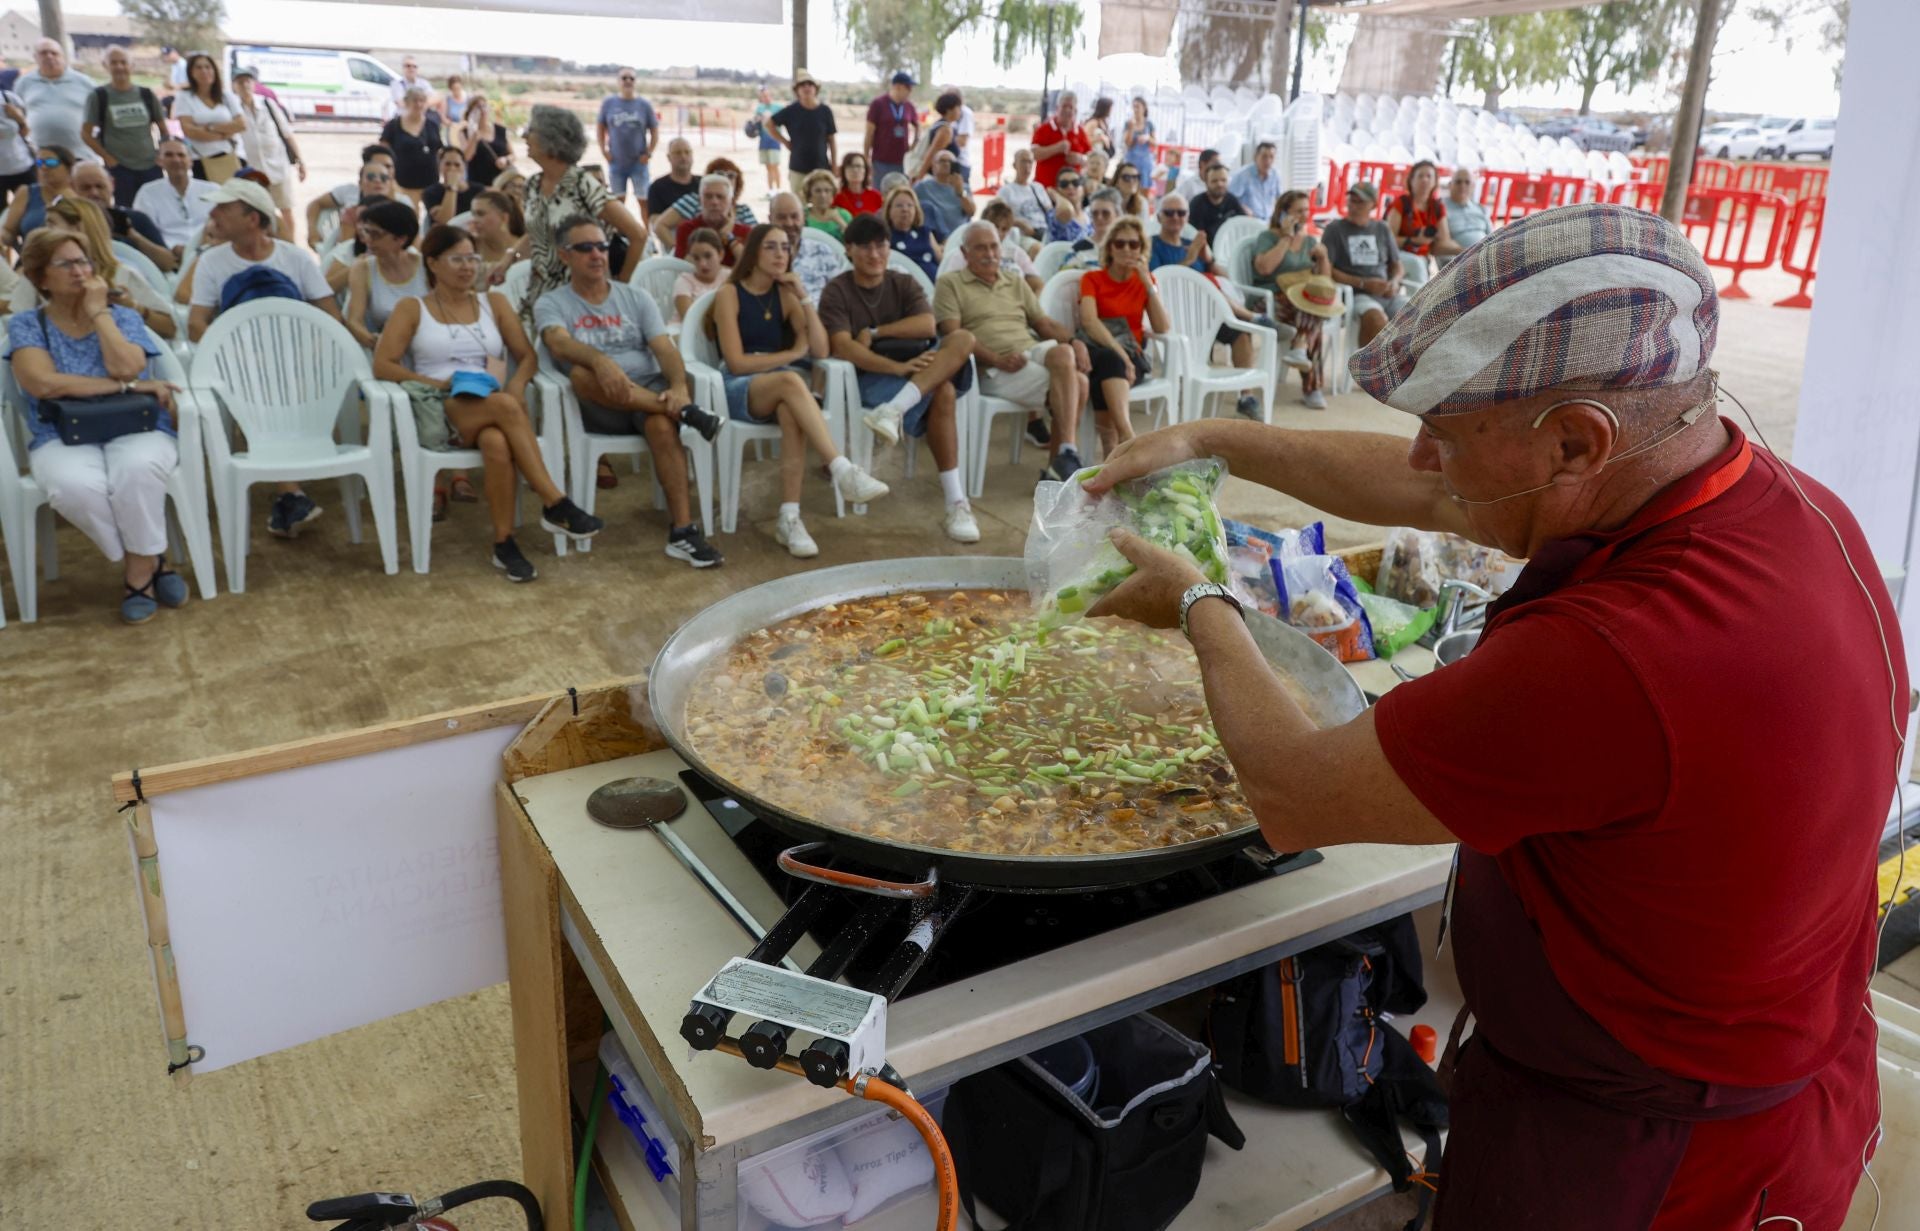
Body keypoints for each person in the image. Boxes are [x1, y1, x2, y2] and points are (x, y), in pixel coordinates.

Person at [1082, 200, 1898, 1231]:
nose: (1421, 458)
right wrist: (1209, 440)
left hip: (1647, 1163)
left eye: (1444, 432)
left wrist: (1200, 602)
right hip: (1788, 1081)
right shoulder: (1782, 499)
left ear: (1574, 442)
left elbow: (1291, 792)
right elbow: (1442, 494)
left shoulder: (1615, 653)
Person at [375, 223, 601, 580]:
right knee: (507, 409)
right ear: (432, 264)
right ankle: (555, 502)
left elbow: (526, 356)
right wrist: (435, 382)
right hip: (442, 404)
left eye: (472, 258)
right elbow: (383, 365)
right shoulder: (413, 308)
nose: (467, 267)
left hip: (491, 403)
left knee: (497, 442)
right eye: (457, 259)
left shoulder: (493, 302)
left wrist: (516, 385)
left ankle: (503, 543)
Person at [5, 228, 186, 623]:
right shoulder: (26, 325)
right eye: (65, 264)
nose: (79, 271)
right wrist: (129, 386)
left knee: (136, 472)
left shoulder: (120, 316)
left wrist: (99, 312)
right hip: (62, 433)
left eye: (83, 261)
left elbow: (127, 363)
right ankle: (152, 557)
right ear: (40, 277)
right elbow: (43, 383)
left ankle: (138, 575)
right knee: (73, 488)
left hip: (135, 423)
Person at [535, 214, 723, 567]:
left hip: (647, 396)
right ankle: (684, 413)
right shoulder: (553, 302)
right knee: (580, 374)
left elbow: (665, 349)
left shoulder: (634, 297)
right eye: (585, 248)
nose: (597, 254)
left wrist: (679, 387)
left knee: (661, 424)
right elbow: (557, 343)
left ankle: (683, 532)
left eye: (602, 246)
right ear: (565, 255)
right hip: (599, 403)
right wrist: (601, 361)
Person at [710, 223, 890, 556]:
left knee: (792, 412)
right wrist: (792, 355)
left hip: (780, 386)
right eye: (771, 247)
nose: (781, 254)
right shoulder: (729, 294)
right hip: (738, 387)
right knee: (793, 381)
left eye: (785, 247)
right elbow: (735, 362)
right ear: (753, 254)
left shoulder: (785, 294)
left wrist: (804, 297)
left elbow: (821, 351)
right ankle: (841, 468)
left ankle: (789, 518)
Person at [821, 211, 979, 541]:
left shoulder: (902, 281)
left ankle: (895, 410)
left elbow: (925, 325)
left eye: (881, 245)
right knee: (945, 391)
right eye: (865, 247)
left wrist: (875, 332)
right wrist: (897, 368)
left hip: (916, 365)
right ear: (849, 249)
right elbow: (843, 347)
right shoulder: (837, 291)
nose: (875, 254)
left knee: (963, 339)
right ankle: (956, 500)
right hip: (871, 378)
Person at [935, 219, 1090, 480]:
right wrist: (995, 358)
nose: (990, 254)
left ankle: (1065, 453)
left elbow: (1044, 324)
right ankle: (1060, 465)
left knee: (1064, 353)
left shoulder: (1015, 282)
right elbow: (953, 336)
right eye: (981, 248)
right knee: (1081, 383)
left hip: (1030, 352)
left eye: (994, 247)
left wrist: (1075, 341)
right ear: (964, 253)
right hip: (992, 369)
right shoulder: (950, 284)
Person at [516, 105, 648, 320]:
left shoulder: (582, 184)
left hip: (582, 302)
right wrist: (507, 260)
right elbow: (537, 234)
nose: (524, 136)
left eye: (531, 131)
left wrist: (619, 285)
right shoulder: (532, 185)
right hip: (539, 297)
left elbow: (638, 235)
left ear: (552, 139)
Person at [22, 196, 177, 341]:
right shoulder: (40, 275)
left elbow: (169, 328)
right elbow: (17, 323)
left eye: (51, 224)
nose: (45, 231)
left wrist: (133, 307)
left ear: (77, 229)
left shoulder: (121, 275)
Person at [1077, 215, 1166, 455]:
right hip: (1102, 351)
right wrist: (1122, 356)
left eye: (1134, 244)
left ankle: (1112, 446)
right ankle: (1127, 437)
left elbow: (1162, 328)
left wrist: (1148, 283)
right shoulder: (1092, 279)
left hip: (1128, 355)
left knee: (1108, 366)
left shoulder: (1144, 281)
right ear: (1110, 248)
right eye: (1120, 244)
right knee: (1109, 360)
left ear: (1141, 249)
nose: (1127, 249)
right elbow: (1089, 322)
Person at [1250, 189, 1333, 408]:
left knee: (1315, 304)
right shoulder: (1268, 237)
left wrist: (1323, 258)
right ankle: (1312, 387)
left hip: (1302, 301)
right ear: (1283, 213)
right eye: (1298, 210)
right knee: (1312, 314)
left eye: (1306, 209)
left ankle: (1299, 346)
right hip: (1270, 300)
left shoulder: (1310, 242)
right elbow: (1265, 268)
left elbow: (1323, 284)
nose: (1304, 215)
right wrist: (1286, 237)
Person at [1321, 181, 1405, 345]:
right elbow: (1328, 270)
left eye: (1360, 201)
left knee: (1418, 314)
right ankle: (1369, 369)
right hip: (1354, 294)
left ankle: (1402, 368)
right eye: (1352, 200)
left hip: (1386, 291)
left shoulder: (1382, 228)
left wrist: (1394, 282)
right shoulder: (1335, 229)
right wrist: (1363, 283)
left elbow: (1397, 265)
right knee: (1375, 319)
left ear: (1373, 205)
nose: (1354, 205)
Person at [82, 47, 166, 207]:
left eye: (123, 62)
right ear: (105, 66)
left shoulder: (146, 94)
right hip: (120, 169)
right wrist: (108, 158)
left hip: (150, 165)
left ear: (131, 65)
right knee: (127, 210)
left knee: (157, 207)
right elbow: (86, 134)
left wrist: (161, 153)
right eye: (114, 63)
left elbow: (163, 128)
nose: (119, 67)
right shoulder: (99, 96)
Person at [230, 66, 304, 238]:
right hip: (253, 172)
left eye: (248, 81)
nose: (245, 85)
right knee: (257, 214)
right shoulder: (233, 109)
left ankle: (289, 245)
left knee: (286, 211)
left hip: (278, 167)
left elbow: (287, 133)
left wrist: (301, 161)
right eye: (240, 82)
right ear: (234, 86)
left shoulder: (267, 104)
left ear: (254, 84)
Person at [343, 198, 426, 350]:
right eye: (366, 232)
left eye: (376, 235)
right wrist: (375, 342)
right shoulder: (363, 269)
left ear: (401, 239)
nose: (368, 240)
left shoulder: (426, 267)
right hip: (388, 347)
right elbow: (354, 321)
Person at [70, 160, 174, 273]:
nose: (94, 193)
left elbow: (168, 263)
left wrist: (135, 237)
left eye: (100, 186)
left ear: (112, 184)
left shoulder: (136, 219)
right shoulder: (68, 221)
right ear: (72, 188)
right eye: (86, 188)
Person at [132, 138, 215, 258]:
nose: (176, 160)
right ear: (159, 161)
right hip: (168, 256)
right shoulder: (148, 193)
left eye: (181, 155)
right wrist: (172, 249)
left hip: (209, 250)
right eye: (169, 155)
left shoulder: (211, 190)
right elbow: (146, 232)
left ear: (190, 161)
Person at [302, 144, 395, 250]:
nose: (378, 180)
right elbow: (346, 249)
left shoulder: (402, 204)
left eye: (388, 167)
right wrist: (313, 231)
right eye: (371, 176)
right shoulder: (351, 207)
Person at [654, 156, 758, 250]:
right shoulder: (692, 204)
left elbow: (757, 244)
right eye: (720, 174)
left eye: (731, 175)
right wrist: (676, 249)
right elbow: (660, 225)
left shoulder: (744, 211)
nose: (714, 202)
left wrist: (728, 236)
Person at [938, 200, 1044, 292]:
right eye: (995, 226)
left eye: (1004, 229)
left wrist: (1032, 310)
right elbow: (948, 287)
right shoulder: (964, 254)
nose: (998, 232)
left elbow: (1038, 285)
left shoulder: (1016, 253)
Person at [17, 40, 94, 166]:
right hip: (42, 157)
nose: (49, 56)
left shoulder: (84, 82)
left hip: (82, 155)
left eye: (54, 53)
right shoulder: (24, 83)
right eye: (43, 53)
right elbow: (18, 116)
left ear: (63, 57)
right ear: (35, 57)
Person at [1382, 159, 1457, 288]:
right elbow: (1387, 239)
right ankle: (1418, 307)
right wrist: (1414, 240)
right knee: (1416, 264)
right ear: (1411, 180)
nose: (1425, 180)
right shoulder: (1401, 203)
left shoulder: (1437, 207)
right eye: (1420, 176)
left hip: (1423, 257)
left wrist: (1465, 251)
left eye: (1429, 176)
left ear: (1435, 181)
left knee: (1453, 262)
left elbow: (1444, 241)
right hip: (1397, 254)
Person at [174, 53, 242, 183]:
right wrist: (224, 133)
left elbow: (241, 124)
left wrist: (210, 128)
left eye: (207, 67)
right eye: (198, 67)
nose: (204, 71)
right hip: (201, 159)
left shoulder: (226, 96)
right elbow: (189, 130)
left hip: (228, 156)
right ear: (191, 72)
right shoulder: (184, 97)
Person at [770, 69, 837, 200]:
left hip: (821, 167)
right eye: (802, 85)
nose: (806, 88)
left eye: (810, 84)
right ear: (797, 90)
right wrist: (785, 142)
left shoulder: (825, 111)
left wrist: (834, 165)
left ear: (815, 89)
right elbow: (769, 124)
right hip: (798, 168)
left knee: (823, 203)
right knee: (800, 206)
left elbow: (832, 140)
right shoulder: (791, 110)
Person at [596, 67, 657, 212]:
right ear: (618, 81)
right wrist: (603, 150)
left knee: (644, 201)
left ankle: (646, 233)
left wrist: (649, 153)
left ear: (635, 82)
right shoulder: (609, 103)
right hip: (616, 162)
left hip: (639, 163)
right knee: (617, 202)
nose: (628, 81)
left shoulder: (644, 105)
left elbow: (654, 130)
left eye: (631, 78)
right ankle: (619, 233)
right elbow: (600, 127)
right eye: (624, 78)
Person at [767, 190, 841, 302]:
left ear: (804, 218)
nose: (789, 223)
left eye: (794, 216)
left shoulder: (822, 251)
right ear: (770, 219)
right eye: (781, 217)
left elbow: (841, 295)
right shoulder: (761, 256)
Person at [0, 143, 72, 251]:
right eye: (39, 163)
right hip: (32, 257)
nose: (44, 167)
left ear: (68, 167)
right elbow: (8, 230)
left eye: (51, 163)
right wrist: (5, 237)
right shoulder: (27, 192)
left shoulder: (79, 193)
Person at [381, 86, 442, 208]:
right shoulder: (393, 126)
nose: (418, 104)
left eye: (422, 101)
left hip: (431, 183)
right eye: (415, 100)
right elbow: (382, 154)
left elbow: (439, 151)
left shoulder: (432, 125)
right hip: (402, 183)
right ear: (407, 102)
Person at [672, 173, 752, 264]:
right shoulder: (687, 229)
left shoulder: (745, 232)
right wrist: (720, 238)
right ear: (700, 200)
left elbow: (749, 266)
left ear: (731, 201)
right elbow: (686, 265)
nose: (714, 202)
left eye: (720, 197)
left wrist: (729, 238)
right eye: (708, 196)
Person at [864, 71, 917, 184]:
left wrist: (914, 145)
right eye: (908, 87)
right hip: (881, 160)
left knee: (900, 192)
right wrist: (866, 157)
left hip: (902, 160)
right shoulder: (878, 104)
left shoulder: (909, 106)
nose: (910, 91)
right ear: (897, 87)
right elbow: (869, 133)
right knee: (880, 193)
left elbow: (917, 125)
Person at [994, 147, 1052, 246]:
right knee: (1037, 249)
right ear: (1014, 165)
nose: (1027, 166)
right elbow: (997, 216)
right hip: (1021, 235)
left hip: (1044, 232)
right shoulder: (1006, 191)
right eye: (1023, 162)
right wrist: (1020, 224)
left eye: (1030, 162)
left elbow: (1050, 212)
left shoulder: (1037, 187)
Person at [1030, 90, 1089, 189]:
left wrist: (1080, 159)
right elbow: (1033, 154)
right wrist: (1056, 149)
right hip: (1046, 189)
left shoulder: (1080, 131)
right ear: (1057, 108)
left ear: (1075, 111)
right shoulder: (1044, 129)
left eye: (1071, 107)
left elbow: (1090, 157)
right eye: (1064, 106)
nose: (1067, 110)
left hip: (1071, 190)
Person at [884, 185, 941, 284]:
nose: (905, 209)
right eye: (899, 205)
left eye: (910, 205)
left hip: (935, 285)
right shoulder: (884, 236)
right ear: (889, 210)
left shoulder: (925, 232)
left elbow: (942, 261)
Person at [914, 149, 973, 241]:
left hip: (960, 236)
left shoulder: (963, 187)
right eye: (942, 161)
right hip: (935, 237)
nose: (946, 164)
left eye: (950, 161)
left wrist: (961, 193)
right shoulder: (922, 187)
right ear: (933, 167)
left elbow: (971, 212)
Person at [458, 93, 513, 192]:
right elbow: (466, 157)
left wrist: (506, 160)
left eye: (484, 106)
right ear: (471, 112)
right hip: (478, 183)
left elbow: (513, 154)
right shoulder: (464, 133)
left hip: (501, 181)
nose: (482, 110)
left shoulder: (500, 130)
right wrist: (474, 135)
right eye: (478, 108)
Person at [468, 187, 522, 287]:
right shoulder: (469, 249)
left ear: (504, 218)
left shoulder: (524, 246)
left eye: (480, 214)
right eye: (473, 214)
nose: (474, 220)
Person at [671, 226, 727, 322]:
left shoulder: (729, 278)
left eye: (708, 256)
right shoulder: (684, 281)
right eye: (696, 258)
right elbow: (689, 319)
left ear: (720, 255)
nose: (702, 264)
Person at [1063, 188, 1121, 272]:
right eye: (1095, 213)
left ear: (1117, 215)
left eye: (1105, 213)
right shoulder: (1078, 249)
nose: (1099, 218)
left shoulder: (1128, 246)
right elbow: (1064, 281)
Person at [645, 136, 698, 229]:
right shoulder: (657, 187)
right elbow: (654, 221)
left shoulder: (704, 184)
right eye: (678, 153)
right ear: (669, 157)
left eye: (687, 152)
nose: (683, 157)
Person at [911, 91, 964, 181]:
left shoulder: (940, 125)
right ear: (949, 109)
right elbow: (931, 155)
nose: (960, 111)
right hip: (939, 180)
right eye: (958, 107)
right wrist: (919, 179)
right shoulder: (945, 130)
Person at [422, 145, 480, 226]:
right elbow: (446, 221)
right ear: (439, 166)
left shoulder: (478, 190)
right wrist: (452, 186)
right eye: (447, 164)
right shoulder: (431, 192)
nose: (452, 168)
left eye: (457, 165)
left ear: (464, 166)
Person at [1189, 163, 1247, 242]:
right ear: (1206, 183)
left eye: (1223, 180)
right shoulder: (1196, 204)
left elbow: (1244, 225)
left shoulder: (1232, 200)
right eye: (1214, 181)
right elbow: (1194, 237)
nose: (1220, 184)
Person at [1228, 141, 1281, 223]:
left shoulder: (1275, 175)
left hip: (1268, 220)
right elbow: (1230, 199)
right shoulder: (1242, 175)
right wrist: (1244, 209)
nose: (1268, 161)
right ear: (1256, 157)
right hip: (1249, 221)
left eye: (1271, 157)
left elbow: (1280, 198)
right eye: (1264, 157)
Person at [0, 74, 31, 210]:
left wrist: (19, 117)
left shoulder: (8, 97)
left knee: (28, 211)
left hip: (21, 166)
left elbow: (26, 131)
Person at [1445, 167, 1492, 251]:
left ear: (1473, 186)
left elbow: (1492, 237)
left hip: (1485, 256)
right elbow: (1440, 244)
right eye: (1458, 182)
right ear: (1450, 185)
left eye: (1467, 182)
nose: (1462, 186)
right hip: (1457, 259)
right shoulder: (1441, 208)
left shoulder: (1481, 209)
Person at [749, 83, 782, 196]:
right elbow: (755, 123)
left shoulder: (778, 107)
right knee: (768, 167)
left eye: (767, 95)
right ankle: (770, 191)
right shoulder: (760, 108)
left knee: (774, 165)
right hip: (763, 140)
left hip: (775, 139)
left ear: (770, 95)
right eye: (763, 96)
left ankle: (778, 190)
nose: (766, 98)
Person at [1046, 168, 1090, 244]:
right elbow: (1066, 210)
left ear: (1083, 189)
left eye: (1075, 182)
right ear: (1058, 190)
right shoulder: (1054, 214)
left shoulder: (1091, 214)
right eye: (1064, 184)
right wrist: (1054, 194)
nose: (1070, 187)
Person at [802, 169, 850, 239]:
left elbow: (856, 243)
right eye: (818, 191)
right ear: (809, 194)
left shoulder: (844, 215)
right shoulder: (802, 216)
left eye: (827, 190)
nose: (823, 195)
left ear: (833, 193)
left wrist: (839, 221)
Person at [833, 151, 882, 217]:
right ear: (843, 170)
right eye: (850, 166)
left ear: (865, 170)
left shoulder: (876, 196)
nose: (855, 170)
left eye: (858, 166)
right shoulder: (836, 197)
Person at [1120, 97, 1155, 186]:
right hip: (1131, 160)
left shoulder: (1149, 124)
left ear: (1144, 108)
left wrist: (1147, 138)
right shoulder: (1128, 123)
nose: (1135, 109)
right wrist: (1131, 129)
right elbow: (1128, 144)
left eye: (1137, 106)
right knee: (1128, 184)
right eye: (1134, 107)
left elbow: (1155, 143)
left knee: (1144, 186)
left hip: (1145, 162)